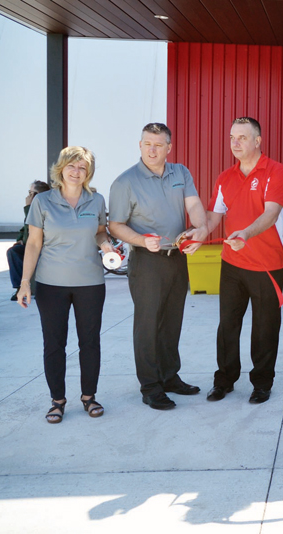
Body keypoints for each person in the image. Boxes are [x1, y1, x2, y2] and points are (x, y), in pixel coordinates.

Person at [109, 123, 208, 410]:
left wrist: (200, 228)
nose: (152, 149)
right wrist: (140, 240)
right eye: (147, 143)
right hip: (147, 261)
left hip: (177, 258)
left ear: (169, 147)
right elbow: (115, 225)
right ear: (140, 145)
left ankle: (169, 376)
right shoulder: (125, 182)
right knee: (148, 324)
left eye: (158, 144)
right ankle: (150, 386)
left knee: (171, 321)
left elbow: (193, 205)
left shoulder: (181, 173)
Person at [17, 147, 114, 423]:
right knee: (54, 344)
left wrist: (106, 244)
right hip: (51, 285)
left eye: (82, 167)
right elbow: (34, 243)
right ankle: (57, 400)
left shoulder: (96, 200)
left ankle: (89, 397)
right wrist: (25, 283)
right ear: (61, 169)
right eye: (71, 166)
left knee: (90, 342)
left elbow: (99, 231)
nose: (76, 172)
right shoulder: (43, 201)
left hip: (91, 283)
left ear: (88, 172)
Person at [204, 117, 283, 405]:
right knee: (227, 325)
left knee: (265, 328)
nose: (235, 143)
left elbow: (270, 214)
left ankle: (262, 383)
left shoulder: (275, 172)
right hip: (232, 264)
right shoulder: (225, 177)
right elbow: (214, 217)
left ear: (257, 141)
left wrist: (246, 233)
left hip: (266, 264)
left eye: (242, 137)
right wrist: (197, 233)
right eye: (232, 137)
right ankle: (225, 379)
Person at [7, 180, 49, 300]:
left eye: (31, 193)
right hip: (30, 244)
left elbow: (34, 229)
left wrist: (28, 208)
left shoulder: (43, 206)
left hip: (44, 246)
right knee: (13, 251)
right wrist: (20, 239)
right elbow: (24, 229)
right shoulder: (31, 208)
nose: (28, 196)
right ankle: (20, 287)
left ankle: (38, 288)